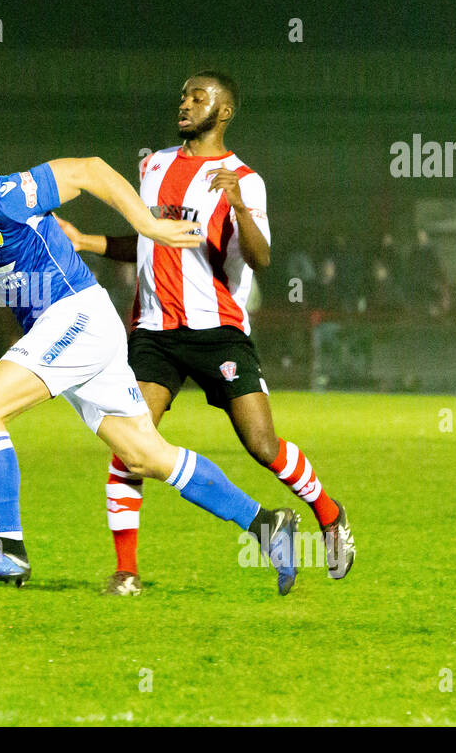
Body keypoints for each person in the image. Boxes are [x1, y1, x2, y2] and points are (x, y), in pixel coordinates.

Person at [0, 134, 301, 595]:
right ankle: (267, 524)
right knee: (145, 454)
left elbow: (90, 170)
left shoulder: (4, 194)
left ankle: (8, 550)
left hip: (74, 315)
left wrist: (149, 225)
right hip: (75, 328)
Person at [55, 71, 353, 595]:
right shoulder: (153, 165)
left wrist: (238, 205)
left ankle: (328, 513)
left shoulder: (244, 178)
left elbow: (260, 259)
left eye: (199, 96)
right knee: (129, 447)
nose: (186, 102)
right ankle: (127, 573)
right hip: (153, 331)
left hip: (218, 331)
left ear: (226, 111)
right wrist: (88, 241)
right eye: (184, 94)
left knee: (262, 446)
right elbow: (149, 240)